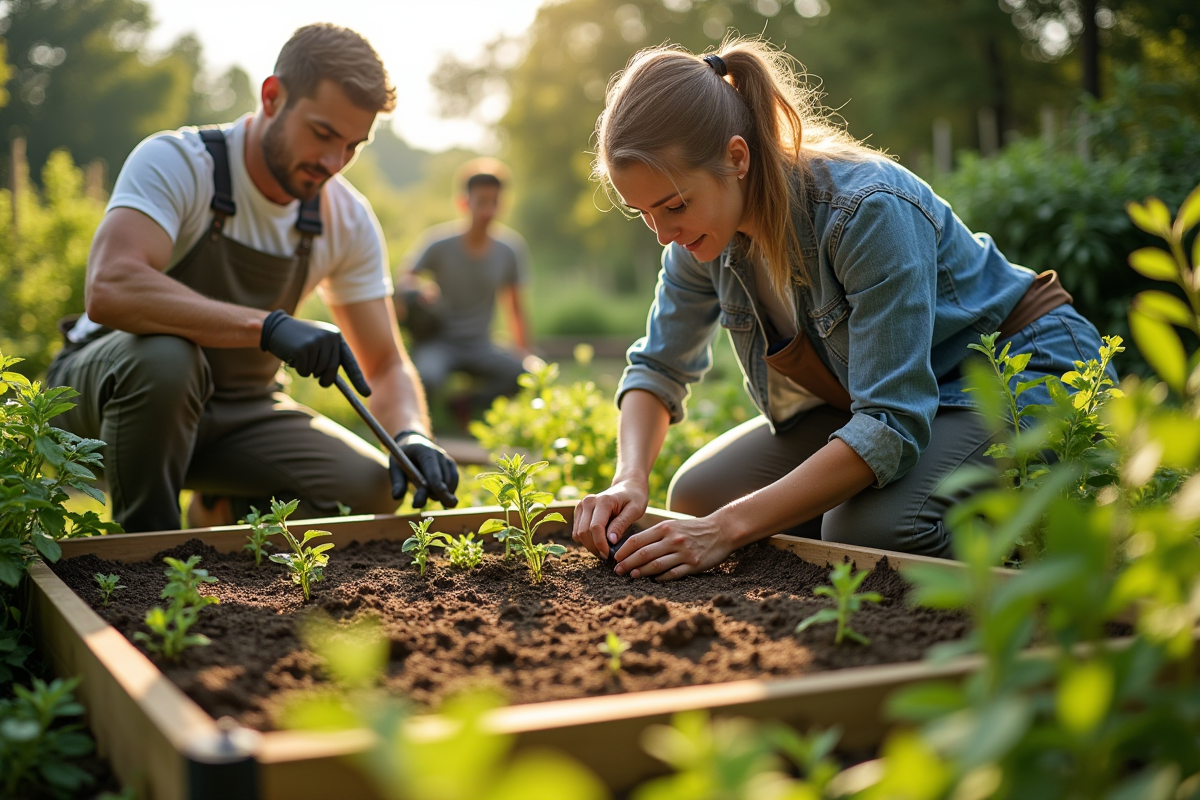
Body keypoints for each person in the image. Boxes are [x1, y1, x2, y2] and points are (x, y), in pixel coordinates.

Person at [571, 39, 1112, 579]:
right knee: (699, 495)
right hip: (892, 396)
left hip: (1017, 371)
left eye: (673, 205)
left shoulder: (866, 213)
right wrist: (629, 479)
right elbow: (659, 367)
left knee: (871, 533)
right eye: (642, 213)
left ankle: (1047, 555)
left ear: (737, 158)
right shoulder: (702, 238)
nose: (664, 233)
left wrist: (726, 530)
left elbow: (890, 420)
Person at [47, 24, 458, 533]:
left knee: (367, 489)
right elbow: (112, 287)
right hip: (107, 398)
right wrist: (268, 327)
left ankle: (217, 514)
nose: (334, 162)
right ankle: (146, 555)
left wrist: (412, 433)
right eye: (323, 134)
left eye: (352, 145)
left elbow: (384, 360)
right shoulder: (179, 162)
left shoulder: (345, 216)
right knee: (166, 360)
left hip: (237, 410)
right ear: (272, 97)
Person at [396, 159, 532, 424]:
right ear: (464, 202)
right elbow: (405, 280)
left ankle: (465, 403)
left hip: (480, 343)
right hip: (439, 342)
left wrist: (524, 352)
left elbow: (515, 306)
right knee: (428, 378)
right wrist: (420, 290)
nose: (487, 210)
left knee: (525, 375)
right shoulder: (438, 243)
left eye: (494, 202)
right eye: (481, 202)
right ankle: (425, 420)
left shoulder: (509, 250)